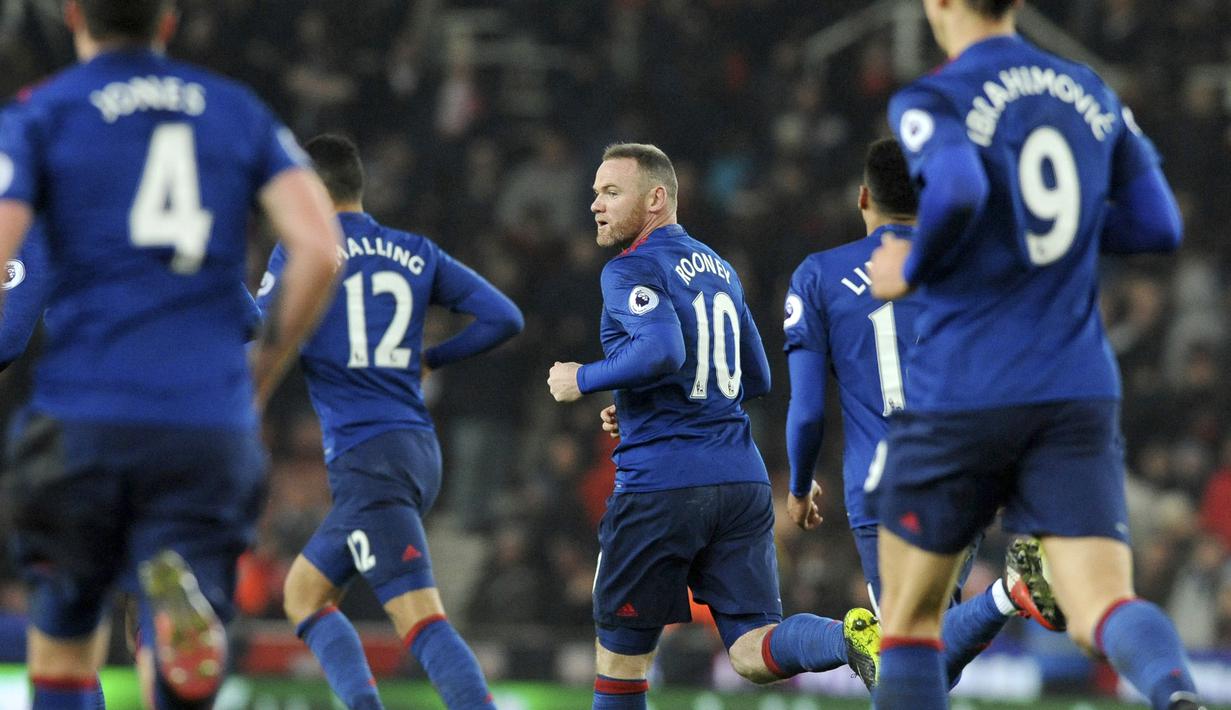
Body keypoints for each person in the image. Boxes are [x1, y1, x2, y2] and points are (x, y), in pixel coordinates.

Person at [0, 0, 342, 707]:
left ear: (72, 15)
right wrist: (257, 380)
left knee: (64, 636)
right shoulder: (235, 111)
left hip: (84, 419)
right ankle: (170, 633)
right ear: (169, 20)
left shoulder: (43, 112)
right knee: (168, 637)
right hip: (206, 425)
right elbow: (318, 250)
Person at [864, 1, 1201, 708]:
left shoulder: (932, 97)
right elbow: (1158, 223)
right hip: (1074, 388)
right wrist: (1062, 233)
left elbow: (956, 188)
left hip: (965, 385)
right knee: (1100, 607)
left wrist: (913, 264)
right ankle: (1173, 694)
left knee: (908, 620)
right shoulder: (1089, 90)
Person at [548, 143, 877, 710]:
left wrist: (586, 377)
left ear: (656, 199)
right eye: (595, 193)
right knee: (751, 650)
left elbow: (663, 349)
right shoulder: (720, 269)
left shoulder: (629, 268)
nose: (596, 206)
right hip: (740, 483)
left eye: (610, 192)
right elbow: (755, 374)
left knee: (621, 663)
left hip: (661, 487)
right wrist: (637, 406)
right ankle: (845, 636)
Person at [783, 136, 1064, 690]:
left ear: (864, 197)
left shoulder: (818, 276)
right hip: (967, 470)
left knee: (906, 659)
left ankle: (1008, 593)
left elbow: (809, 410)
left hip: (882, 483)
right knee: (922, 654)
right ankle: (1008, 594)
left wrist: (798, 484)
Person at [259, 134, 524, 710]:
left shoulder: (306, 251)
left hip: (368, 459)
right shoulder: (415, 250)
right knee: (304, 592)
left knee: (420, 619)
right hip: (416, 449)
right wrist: (432, 357)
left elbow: (260, 332)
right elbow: (503, 317)